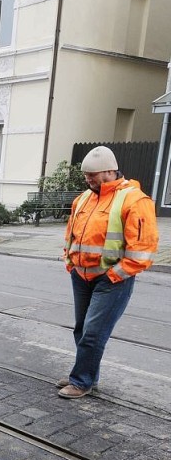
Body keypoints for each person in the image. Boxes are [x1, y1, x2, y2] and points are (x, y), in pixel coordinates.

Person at [58, 146, 158, 399]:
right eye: (86, 175)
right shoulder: (83, 198)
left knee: (93, 332)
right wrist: (69, 261)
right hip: (81, 275)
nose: (88, 179)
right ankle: (87, 373)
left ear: (111, 171)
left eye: (93, 174)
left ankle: (81, 381)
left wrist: (114, 274)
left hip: (112, 279)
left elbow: (143, 249)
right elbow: (72, 233)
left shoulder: (134, 200)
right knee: (81, 330)